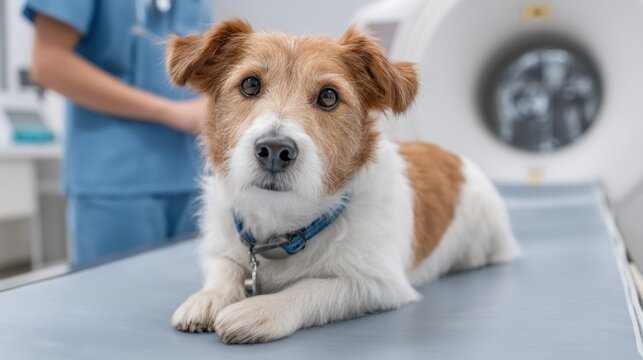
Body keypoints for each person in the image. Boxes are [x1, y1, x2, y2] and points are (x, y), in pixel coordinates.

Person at [23, 0, 212, 266]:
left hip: (192, 177)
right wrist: (170, 112)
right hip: (116, 179)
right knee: (113, 300)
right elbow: (48, 62)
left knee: (190, 300)